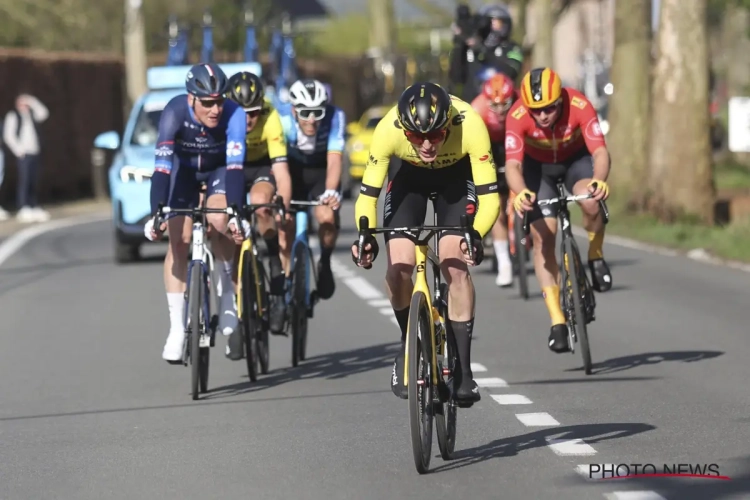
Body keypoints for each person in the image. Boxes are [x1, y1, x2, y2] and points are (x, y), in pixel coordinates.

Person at [351, 82, 500, 405]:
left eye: (435, 135)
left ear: (448, 124)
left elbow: (490, 197)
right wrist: (364, 235)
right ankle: (408, 345)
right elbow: (367, 197)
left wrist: (477, 233)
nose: (428, 144)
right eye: (418, 137)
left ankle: (462, 368)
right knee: (398, 267)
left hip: (455, 181)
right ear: (405, 131)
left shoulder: (470, 123)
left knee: (453, 263)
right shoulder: (389, 129)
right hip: (409, 180)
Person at [144, 63, 247, 363]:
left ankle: (227, 294)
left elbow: (236, 169)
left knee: (219, 218)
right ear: (191, 99)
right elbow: (161, 169)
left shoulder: (234, 114)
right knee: (179, 239)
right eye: (207, 103)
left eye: (219, 101)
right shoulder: (174, 111)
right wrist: (156, 214)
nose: (215, 109)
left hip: (218, 171)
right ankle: (177, 328)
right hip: (183, 172)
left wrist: (236, 212)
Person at [504, 67, 612, 354]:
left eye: (549, 108)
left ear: (561, 100)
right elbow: (513, 165)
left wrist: (599, 181)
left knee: (590, 200)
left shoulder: (579, 104)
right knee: (544, 236)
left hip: (575, 161)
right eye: (535, 110)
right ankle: (557, 321)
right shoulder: (516, 116)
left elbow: (600, 151)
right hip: (538, 170)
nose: (542, 115)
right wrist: (520, 191)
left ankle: (595, 253)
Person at [225, 71, 292, 351]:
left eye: (253, 112)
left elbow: (282, 171)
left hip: (262, 167)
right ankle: (241, 315)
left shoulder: (271, 118)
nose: (248, 119)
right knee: (231, 233)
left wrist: (284, 209)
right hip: (233, 168)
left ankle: (274, 260)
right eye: (242, 112)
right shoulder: (225, 119)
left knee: (262, 203)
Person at [279, 79, 345, 301]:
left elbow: (335, 160)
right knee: (284, 223)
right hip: (291, 173)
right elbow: (276, 163)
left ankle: (324, 261)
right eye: (305, 112)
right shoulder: (282, 120)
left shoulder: (335, 117)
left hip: (320, 173)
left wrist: (330, 192)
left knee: (326, 216)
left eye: (317, 112)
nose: (311, 119)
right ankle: (285, 275)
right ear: (293, 110)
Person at [471, 73, 518, 287]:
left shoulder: (520, 104)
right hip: (488, 144)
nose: (500, 111)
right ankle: (504, 261)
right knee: (496, 204)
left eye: (505, 105)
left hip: (514, 141)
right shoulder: (478, 109)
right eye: (495, 106)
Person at [449, 3, 524, 102]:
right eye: (489, 23)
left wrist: (481, 50)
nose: (491, 27)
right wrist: (460, 44)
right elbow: (456, 77)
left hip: (501, 106)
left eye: (496, 23)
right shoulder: (469, 49)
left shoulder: (512, 48)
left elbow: (510, 72)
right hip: (472, 108)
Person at [3, 94, 51, 223]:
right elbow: (8, 135)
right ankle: (23, 206)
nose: (24, 106)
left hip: (35, 152)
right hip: (24, 154)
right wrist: (19, 150)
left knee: (34, 180)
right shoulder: (13, 116)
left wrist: (32, 101)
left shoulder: (32, 115)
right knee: (25, 180)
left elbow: (44, 113)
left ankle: (33, 205)